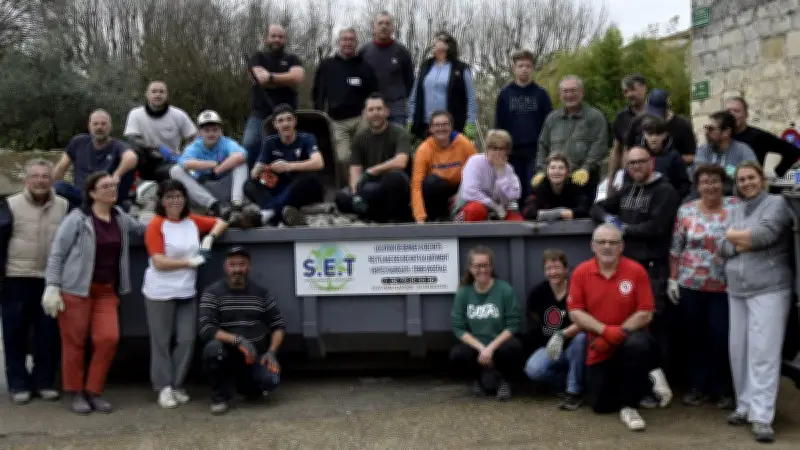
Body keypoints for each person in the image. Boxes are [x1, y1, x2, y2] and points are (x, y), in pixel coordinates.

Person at [42, 171, 146, 414]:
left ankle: (93, 390)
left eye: (113, 185)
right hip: (75, 290)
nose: (112, 189)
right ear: (92, 193)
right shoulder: (77, 218)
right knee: (74, 343)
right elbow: (57, 253)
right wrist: (52, 285)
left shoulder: (120, 216)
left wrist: (182, 221)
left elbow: (143, 230)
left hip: (105, 291)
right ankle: (76, 392)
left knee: (108, 338)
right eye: (106, 186)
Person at [590, 146, 680, 408]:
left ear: (651, 162)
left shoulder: (665, 191)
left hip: (653, 268)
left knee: (654, 326)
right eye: (630, 164)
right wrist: (608, 218)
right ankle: (638, 383)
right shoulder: (628, 188)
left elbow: (656, 228)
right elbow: (597, 207)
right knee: (630, 326)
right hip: (627, 267)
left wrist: (623, 229)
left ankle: (658, 383)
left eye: (640, 162)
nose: (635, 167)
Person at [567, 224, 671, 431]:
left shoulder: (636, 271)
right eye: (602, 242)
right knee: (600, 406)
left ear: (622, 246)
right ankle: (646, 383)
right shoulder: (581, 272)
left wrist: (620, 332)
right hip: (599, 344)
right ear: (592, 246)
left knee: (637, 345)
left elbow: (646, 312)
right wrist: (605, 331)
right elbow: (575, 312)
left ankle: (629, 407)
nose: (607, 247)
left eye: (613, 242)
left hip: (630, 340)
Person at [717, 161, 793, 443]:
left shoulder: (776, 203)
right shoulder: (735, 208)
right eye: (742, 179)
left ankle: (762, 417)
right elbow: (721, 246)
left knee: (763, 352)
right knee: (739, 350)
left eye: (751, 178)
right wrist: (739, 239)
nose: (746, 183)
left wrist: (731, 236)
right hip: (737, 288)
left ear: (761, 179)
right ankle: (745, 405)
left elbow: (765, 235)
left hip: (769, 288)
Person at [142, 179, 228, 409]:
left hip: (186, 291)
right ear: (161, 200)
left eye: (178, 196)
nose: (175, 201)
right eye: (169, 197)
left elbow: (220, 222)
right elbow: (158, 261)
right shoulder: (156, 224)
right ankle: (163, 387)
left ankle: (177, 384)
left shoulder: (191, 222)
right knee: (160, 342)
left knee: (187, 339)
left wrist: (209, 238)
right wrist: (189, 262)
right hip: (159, 291)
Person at [0, 159, 69, 404]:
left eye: (45, 176)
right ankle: (19, 384)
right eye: (35, 176)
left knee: (48, 336)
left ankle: (44, 382)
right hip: (16, 279)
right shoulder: (9, 204)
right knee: (14, 335)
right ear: (26, 180)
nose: (40, 181)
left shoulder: (63, 205)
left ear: (52, 180)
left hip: (49, 281)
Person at [669, 164, 737, 409]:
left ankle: (723, 389)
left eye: (715, 181)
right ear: (697, 186)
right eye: (705, 182)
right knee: (694, 337)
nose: (710, 186)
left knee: (720, 337)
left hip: (724, 287)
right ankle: (698, 386)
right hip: (690, 286)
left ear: (723, 183)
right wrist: (672, 279)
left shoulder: (735, 207)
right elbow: (676, 249)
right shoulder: (686, 210)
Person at [198, 246, 286, 415]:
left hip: (254, 355)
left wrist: (272, 352)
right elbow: (206, 327)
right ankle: (220, 398)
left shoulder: (261, 293)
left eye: (242, 264)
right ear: (225, 267)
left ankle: (246, 388)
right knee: (212, 349)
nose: (237, 269)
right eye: (232, 265)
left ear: (249, 267)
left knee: (271, 380)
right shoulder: (213, 292)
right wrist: (238, 340)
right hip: (226, 352)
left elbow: (278, 325)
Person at [450, 246, 524, 401]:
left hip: (499, 344)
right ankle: (477, 380)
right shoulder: (463, 292)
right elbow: (458, 328)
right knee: (457, 354)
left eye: (485, 265)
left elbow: (513, 324)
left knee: (514, 348)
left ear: (491, 266)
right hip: (477, 345)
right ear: (470, 268)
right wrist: (482, 348)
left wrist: (491, 348)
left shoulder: (505, 290)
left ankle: (505, 381)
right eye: (477, 266)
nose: (481, 270)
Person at [312, 28, 378, 183]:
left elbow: (374, 93)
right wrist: (320, 114)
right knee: (342, 158)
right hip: (336, 121)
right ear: (339, 42)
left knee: (364, 155)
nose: (348, 42)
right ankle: (346, 189)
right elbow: (318, 92)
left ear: (355, 43)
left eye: (351, 40)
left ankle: (366, 187)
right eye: (344, 39)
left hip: (360, 119)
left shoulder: (364, 66)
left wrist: (369, 114)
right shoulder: (327, 66)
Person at [523, 250, 587, 411]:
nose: (553, 272)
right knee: (533, 369)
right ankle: (568, 382)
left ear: (566, 269)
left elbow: (585, 321)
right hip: (549, 347)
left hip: (574, 347)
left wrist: (562, 334)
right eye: (548, 269)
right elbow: (533, 322)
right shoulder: (538, 292)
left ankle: (574, 393)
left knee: (582, 338)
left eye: (557, 267)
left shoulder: (576, 289)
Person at [334, 93, 411, 223]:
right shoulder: (359, 138)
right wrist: (355, 194)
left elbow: (401, 162)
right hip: (371, 188)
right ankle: (373, 217)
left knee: (395, 178)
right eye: (371, 110)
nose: (375, 113)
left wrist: (372, 171)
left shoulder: (400, 132)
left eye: (379, 109)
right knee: (342, 197)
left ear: (387, 111)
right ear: (364, 114)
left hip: (395, 188)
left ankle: (394, 220)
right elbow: (355, 172)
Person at [245, 104, 325, 227]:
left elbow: (319, 163)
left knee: (308, 180)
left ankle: (270, 212)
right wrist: (264, 169)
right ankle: (280, 212)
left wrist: (289, 166)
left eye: (289, 119)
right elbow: (254, 173)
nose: (285, 124)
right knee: (249, 185)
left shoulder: (307, 138)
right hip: (280, 188)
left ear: (295, 121)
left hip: (302, 188)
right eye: (281, 121)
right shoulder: (270, 142)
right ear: (275, 124)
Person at [168, 110, 251, 221]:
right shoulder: (195, 146)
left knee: (241, 164)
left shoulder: (226, 142)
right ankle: (214, 206)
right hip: (205, 191)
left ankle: (236, 205)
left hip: (226, 188)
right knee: (175, 170)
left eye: (214, 130)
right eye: (206, 130)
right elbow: (185, 163)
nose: (211, 133)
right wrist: (214, 164)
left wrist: (217, 170)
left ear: (220, 131)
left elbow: (241, 155)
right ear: (200, 132)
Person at [533, 75, 608, 198]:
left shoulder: (595, 117)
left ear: (582, 92)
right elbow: (542, 146)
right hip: (555, 182)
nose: (569, 95)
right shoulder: (552, 118)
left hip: (584, 181)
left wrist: (586, 169)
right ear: (560, 94)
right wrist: (541, 170)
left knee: (581, 215)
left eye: (573, 90)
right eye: (565, 91)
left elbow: (599, 145)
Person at [243, 24, 305, 168]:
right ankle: (253, 181)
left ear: (285, 39)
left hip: (287, 115)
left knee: (292, 149)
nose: (277, 39)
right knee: (249, 145)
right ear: (267, 38)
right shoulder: (258, 57)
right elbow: (260, 78)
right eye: (273, 36)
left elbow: (297, 77)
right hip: (260, 114)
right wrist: (285, 79)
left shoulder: (292, 58)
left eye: (280, 37)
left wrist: (270, 77)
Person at [494, 49, 553, 199]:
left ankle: (533, 216)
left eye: (528, 66)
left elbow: (549, 124)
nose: (524, 69)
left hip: (536, 151)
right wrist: (500, 150)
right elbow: (498, 125)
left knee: (533, 187)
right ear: (514, 69)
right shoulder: (505, 94)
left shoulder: (541, 94)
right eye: (521, 66)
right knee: (515, 189)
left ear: (532, 68)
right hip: (512, 151)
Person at [54, 110, 138, 209]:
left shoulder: (117, 146)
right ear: (89, 126)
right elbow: (61, 168)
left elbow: (131, 157)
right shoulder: (78, 142)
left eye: (103, 124)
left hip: (104, 195)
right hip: (81, 194)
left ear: (109, 126)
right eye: (95, 124)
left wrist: (116, 176)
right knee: (58, 187)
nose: (99, 127)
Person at [408, 31, 477, 141]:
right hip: (427, 125)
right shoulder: (425, 66)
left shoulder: (461, 68)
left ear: (448, 45)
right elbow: (414, 96)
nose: (433, 42)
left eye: (438, 39)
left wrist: (470, 123)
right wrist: (411, 119)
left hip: (452, 126)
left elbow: (471, 98)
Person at [410, 110, 477, 223]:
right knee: (431, 182)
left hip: (460, 190)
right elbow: (416, 185)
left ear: (451, 127)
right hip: (437, 192)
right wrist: (420, 217)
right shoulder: (423, 149)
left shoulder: (464, 144)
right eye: (437, 125)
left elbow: (477, 173)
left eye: (445, 124)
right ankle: (437, 219)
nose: (441, 128)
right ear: (431, 128)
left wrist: (462, 195)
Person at [452, 130, 522, 222]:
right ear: (487, 149)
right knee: (476, 210)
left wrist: (501, 174)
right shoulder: (475, 162)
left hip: (501, 210)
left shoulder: (508, 169)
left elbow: (514, 195)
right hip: (472, 206)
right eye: (494, 148)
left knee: (517, 221)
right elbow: (470, 192)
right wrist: (493, 205)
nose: (497, 153)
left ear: (507, 151)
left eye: (501, 149)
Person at [359, 11, 415, 125]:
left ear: (392, 28)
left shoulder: (402, 51)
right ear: (373, 27)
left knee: (398, 141)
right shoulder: (364, 51)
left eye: (387, 23)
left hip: (396, 109)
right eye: (380, 23)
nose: (384, 26)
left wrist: (400, 97)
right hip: (372, 108)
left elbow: (409, 80)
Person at [726, 96, 800, 178]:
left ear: (746, 115)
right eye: (728, 111)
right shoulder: (721, 136)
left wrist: (776, 173)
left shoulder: (758, 136)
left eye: (736, 111)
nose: (731, 115)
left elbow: (793, 151)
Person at [624, 89, 697, 167]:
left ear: (668, 107)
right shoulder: (638, 122)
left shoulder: (682, 125)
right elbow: (627, 149)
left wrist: (668, 160)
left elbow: (692, 157)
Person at [630, 114, 691, 200]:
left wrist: (673, 199)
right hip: (640, 201)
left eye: (658, 134)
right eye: (650, 134)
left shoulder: (674, 156)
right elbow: (628, 181)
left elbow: (684, 185)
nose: (654, 138)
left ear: (665, 135)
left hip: (666, 202)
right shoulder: (635, 155)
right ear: (644, 134)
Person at [694, 111, 757, 194]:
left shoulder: (743, 150)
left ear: (726, 132)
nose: (707, 132)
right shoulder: (703, 149)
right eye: (707, 127)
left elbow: (753, 174)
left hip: (735, 195)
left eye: (711, 129)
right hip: (706, 194)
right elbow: (701, 172)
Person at [522, 153, 589, 221]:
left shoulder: (575, 187)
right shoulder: (540, 188)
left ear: (567, 171)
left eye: (561, 168)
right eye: (552, 168)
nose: (556, 172)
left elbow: (585, 209)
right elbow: (527, 211)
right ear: (547, 171)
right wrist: (558, 213)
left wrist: (573, 213)